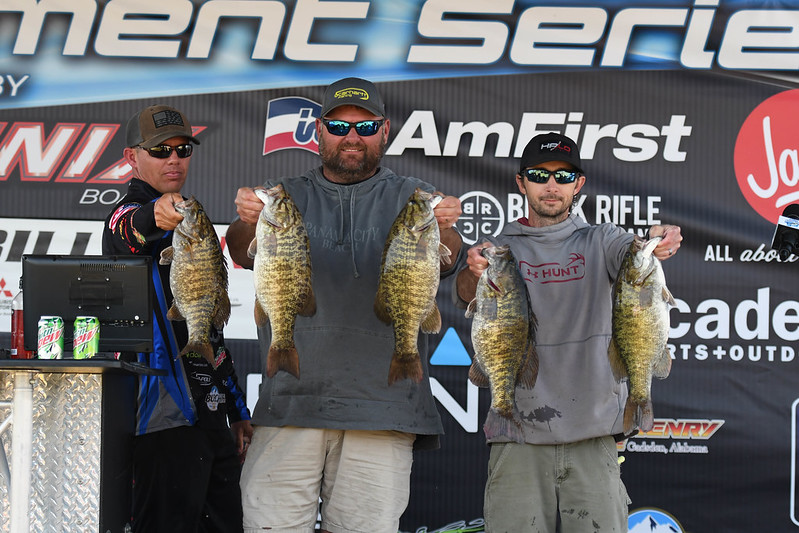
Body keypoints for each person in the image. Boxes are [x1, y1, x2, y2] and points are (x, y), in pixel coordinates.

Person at [226, 77, 463, 533]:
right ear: (319, 131)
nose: (352, 136)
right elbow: (241, 250)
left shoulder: (414, 195)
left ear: (385, 130)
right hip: (289, 406)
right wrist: (247, 219)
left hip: (383, 409)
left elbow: (447, 258)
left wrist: (446, 226)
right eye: (338, 126)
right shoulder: (283, 193)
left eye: (365, 126)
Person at [454, 132, 683, 533]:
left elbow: (633, 253)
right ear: (521, 182)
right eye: (539, 175)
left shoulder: (603, 239)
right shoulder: (499, 249)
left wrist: (655, 240)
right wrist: (473, 272)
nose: (551, 185)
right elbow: (464, 293)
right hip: (517, 435)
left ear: (578, 184)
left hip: (593, 435)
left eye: (563, 176)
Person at [102, 104, 253, 533]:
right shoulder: (128, 213)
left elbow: (209, 329)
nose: (174, 159)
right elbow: (127, 228)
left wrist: (236, 408)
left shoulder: (193, 220)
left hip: (211, 416)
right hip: (160, 419)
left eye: (183, 149)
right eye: (160, 150)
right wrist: (155, 214)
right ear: (132, 157)